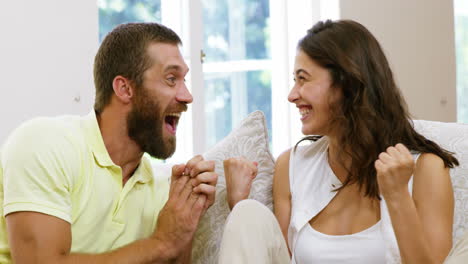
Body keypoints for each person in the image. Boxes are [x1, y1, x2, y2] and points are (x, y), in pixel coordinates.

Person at [220, 19, 467, 264]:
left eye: (303, 79)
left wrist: (397, 195)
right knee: (248, 213)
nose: (292, 95)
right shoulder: (291, 166)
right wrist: (239, 204)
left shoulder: (426, 169)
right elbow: (277, 258)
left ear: (346, 83)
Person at [0, 22, 218, 263]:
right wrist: (160, 243)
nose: (187, 96)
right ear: (124, 89)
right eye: (171, 79)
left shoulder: (159, 189)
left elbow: (168, 254)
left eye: (184, 80)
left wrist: (185, 219)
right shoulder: (44, 144)